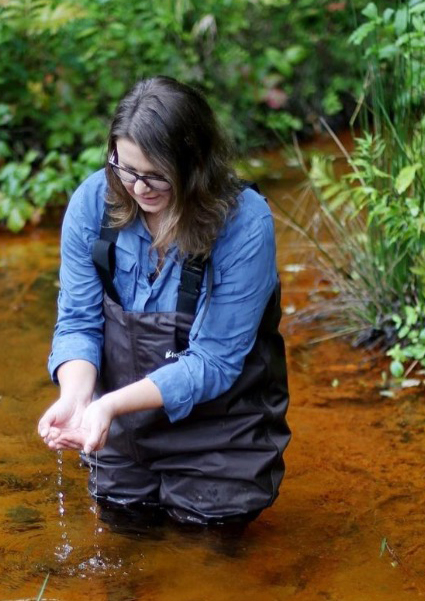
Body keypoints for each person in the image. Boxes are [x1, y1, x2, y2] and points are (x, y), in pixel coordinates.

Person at [38, 76, 290, 526]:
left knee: (204, 561)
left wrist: (110, 404)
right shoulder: (92, 204)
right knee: (125, 535)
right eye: (125, 169)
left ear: (195, 167)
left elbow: (214, 361)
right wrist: (78, 399)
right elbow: (78, 322)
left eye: (156, 176)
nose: (137, 188)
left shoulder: (244, 223)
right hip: (123, 432)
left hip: (221, 436)